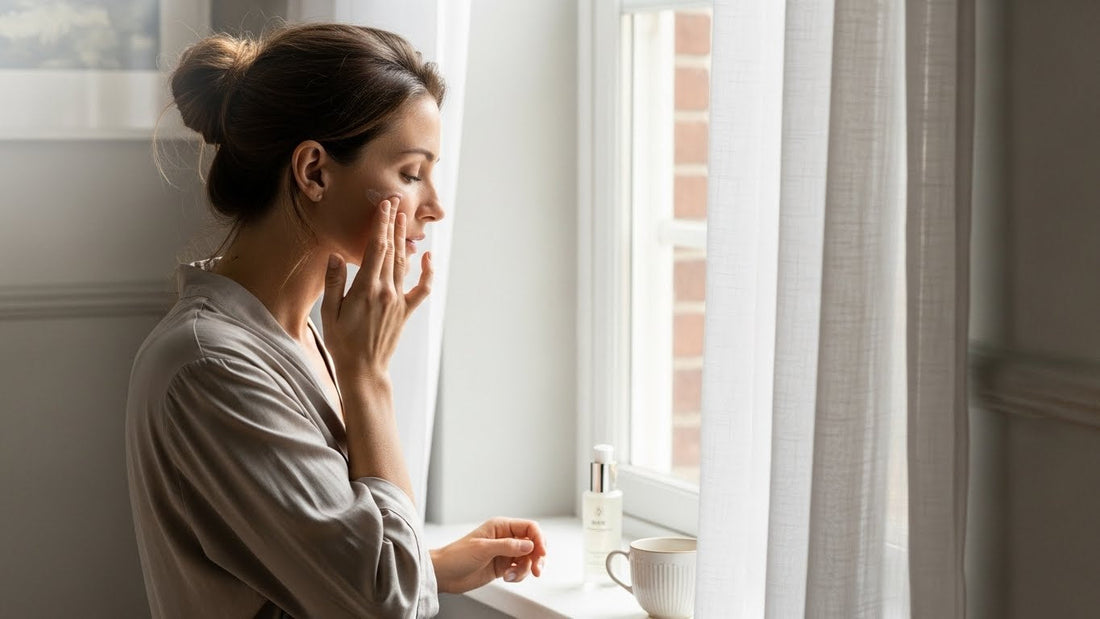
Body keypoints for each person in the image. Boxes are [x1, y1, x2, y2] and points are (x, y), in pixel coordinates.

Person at [125, 22, 547, 618]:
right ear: (315, 171)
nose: (435, 205)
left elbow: (314, 565)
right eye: (410, 172)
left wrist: (429, 565)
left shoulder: (297, 339)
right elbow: (386, 609)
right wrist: (368, 379)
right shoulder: (210, 365)